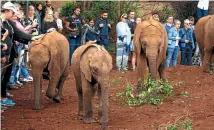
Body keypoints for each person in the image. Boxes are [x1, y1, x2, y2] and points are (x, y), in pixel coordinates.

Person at [1, 2, 40, 106]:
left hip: (10, 53)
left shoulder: (9, 23)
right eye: (12, 12)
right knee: (1, 76)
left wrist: (31, 38)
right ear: (7, 11)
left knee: (5, 76)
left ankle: (3, 98)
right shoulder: (1, 23)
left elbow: (17, 34)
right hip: (3, 55)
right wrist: (2, 55)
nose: (14, 14)